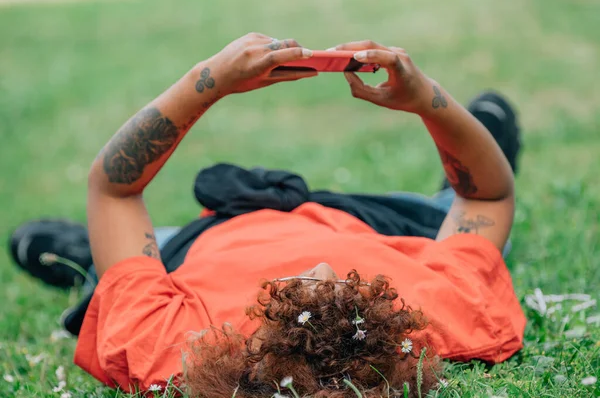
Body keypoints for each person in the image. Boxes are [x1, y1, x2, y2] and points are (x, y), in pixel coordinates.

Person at [9, 33, 525, 397]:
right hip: (365, 222)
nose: (325, 268)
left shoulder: (174, 346)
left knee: (123, 267)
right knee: (439, 214)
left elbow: (115, 190)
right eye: (352, 297)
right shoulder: (439, 319)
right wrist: (429, 102)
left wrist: (208, 80)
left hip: (214, 233)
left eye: (302, 293)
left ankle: (84, 259)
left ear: (251, 350)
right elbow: (485, 199)